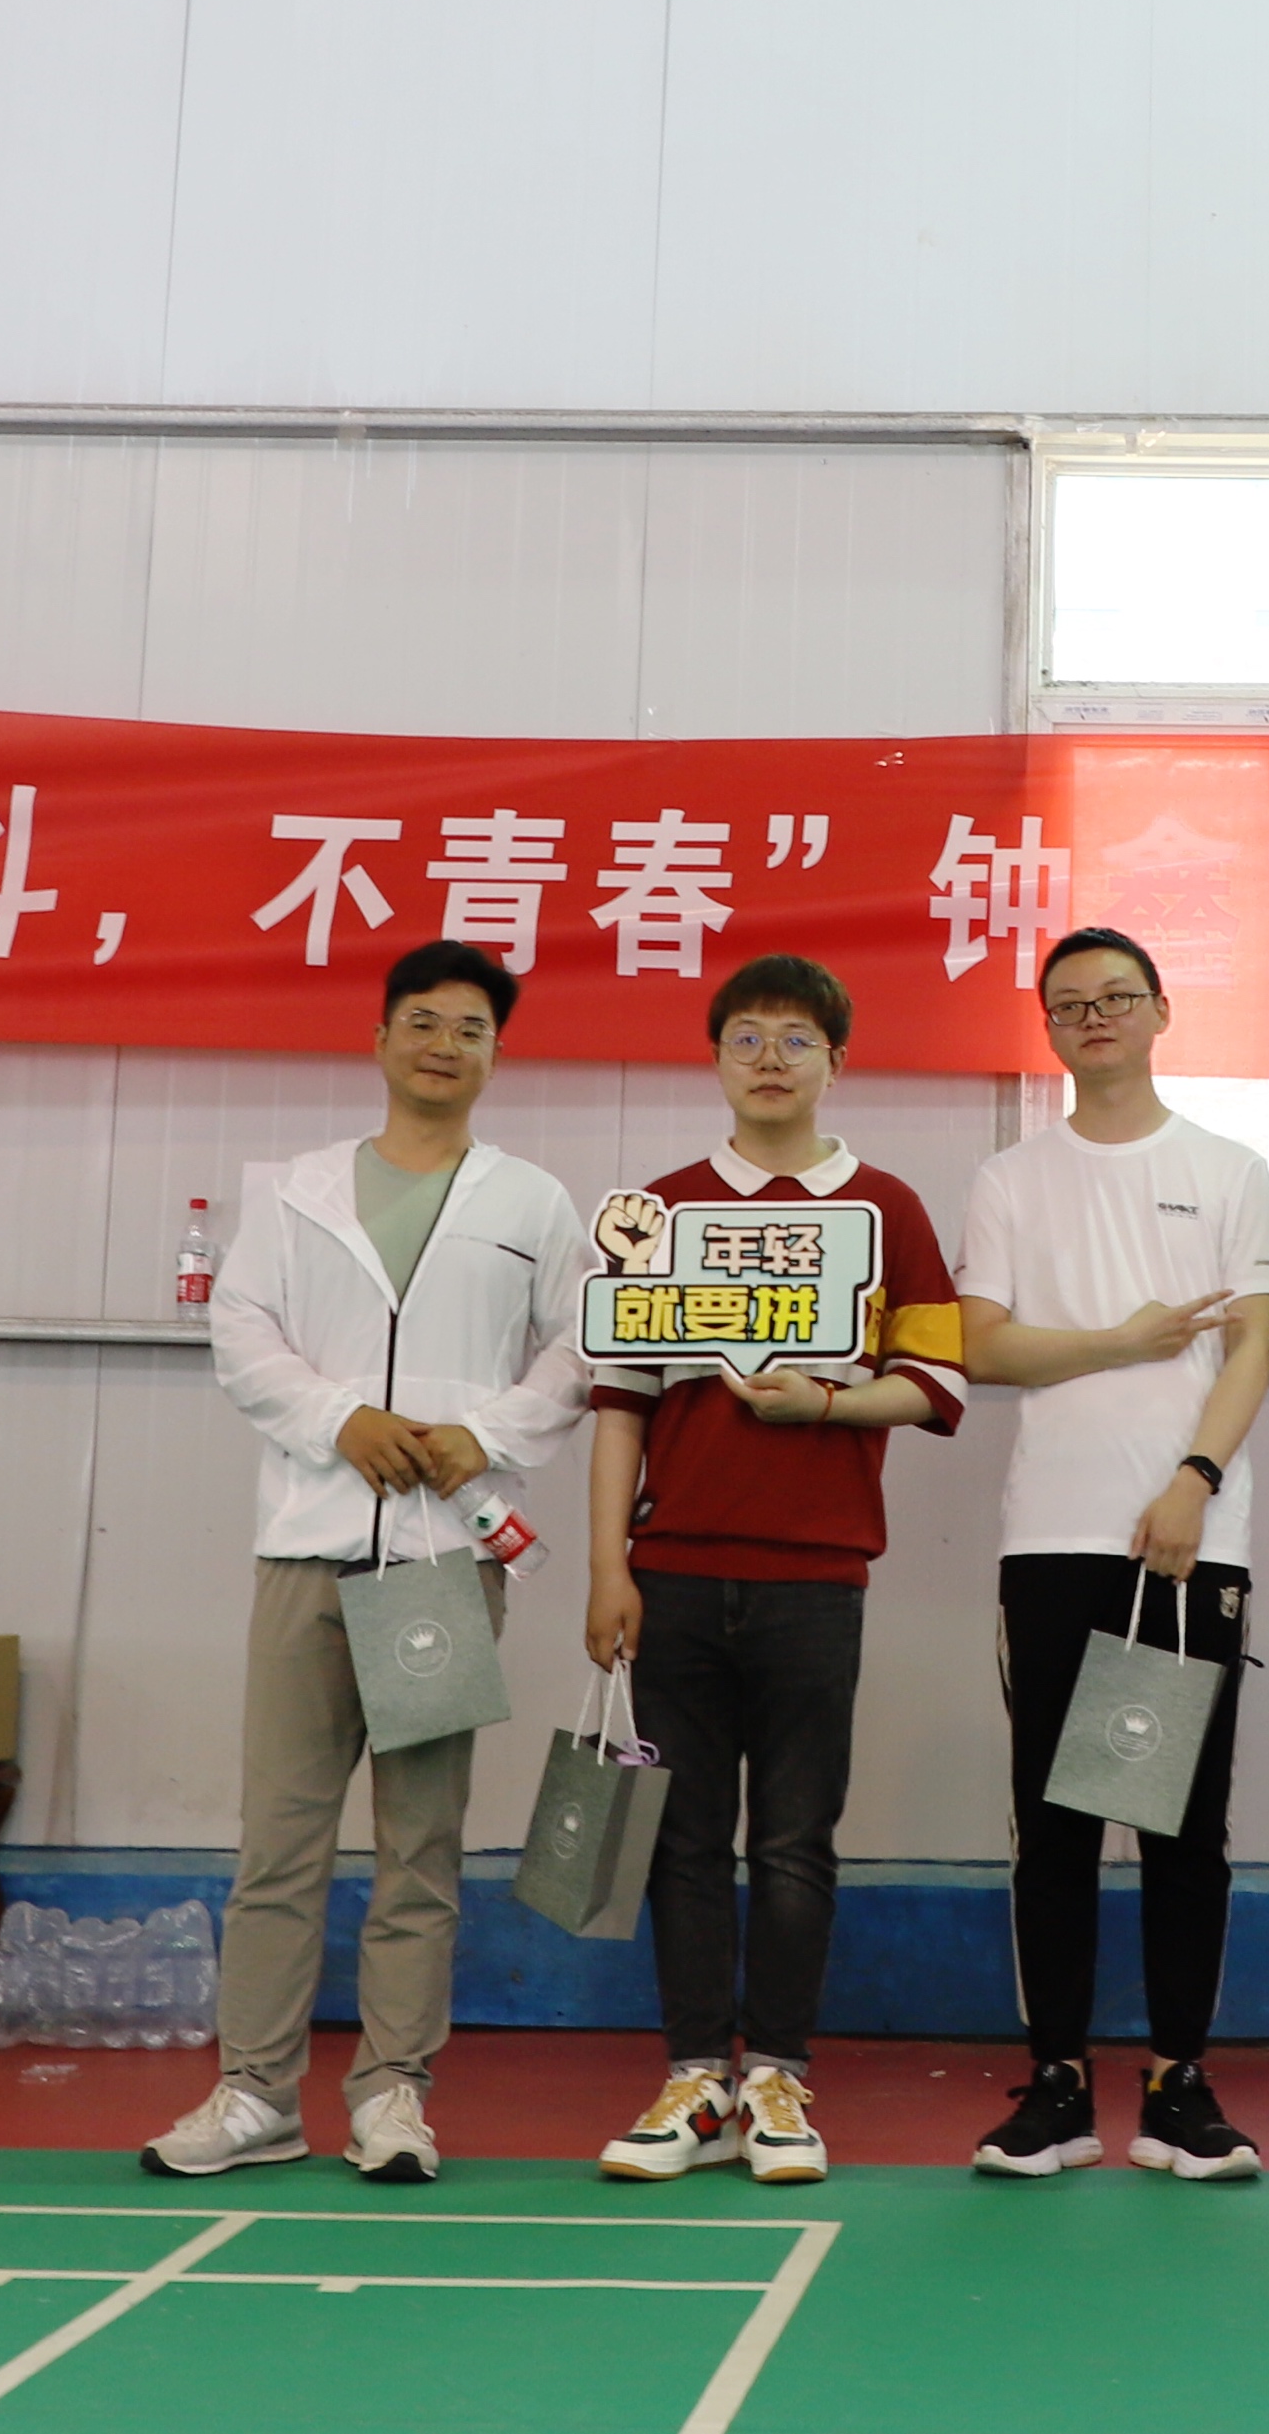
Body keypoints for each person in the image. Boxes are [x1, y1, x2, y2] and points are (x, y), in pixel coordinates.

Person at [161, 938, 596, 2186]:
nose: (444, 1044)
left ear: (495, 1053)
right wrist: (338, 1419)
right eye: (423, 1020)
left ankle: (394, 2091)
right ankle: (255, 2092)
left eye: (470, 1027)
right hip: (308, 1546)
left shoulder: (532, 1202)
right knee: (279, 1840)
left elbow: (580, 1347)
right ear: (381, 1039)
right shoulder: (298, 1191)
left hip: (440, 1563)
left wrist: (483, 1435)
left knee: (420, 1844)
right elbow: (242, 1329)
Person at [584, 956, 967, 2188]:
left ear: (836, 1062)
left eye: (796, 1039)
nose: (769, 1059)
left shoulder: (889, 1208)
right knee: (682, 1839)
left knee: (797, 1840)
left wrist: (829, 1404)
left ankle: (778, 2079)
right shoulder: (656, 1212)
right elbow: (620, 1404)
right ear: (715, 1057)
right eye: (745, 1035)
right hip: (673, 1571)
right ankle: (696, 2074)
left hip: (817, 1575)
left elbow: (939, 1380)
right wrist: (606, 1567)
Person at [954, 925, 1269, 2182]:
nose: (1094, 1015)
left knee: (1180, 1827)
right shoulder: (1010, 1178)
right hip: (1052, 1535)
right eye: (1069, 1002)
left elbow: (1250, 1346)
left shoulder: (1228, 1169)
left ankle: (1177, 2085)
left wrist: (1194, 1480)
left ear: (1160, 1011)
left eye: (1116, 996)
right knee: (1052, 1824)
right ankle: (1056, 2085)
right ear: (1047, 1027)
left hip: (1188, 1542)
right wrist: (1122, 1338)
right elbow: (983, 1346)